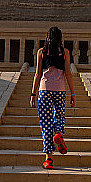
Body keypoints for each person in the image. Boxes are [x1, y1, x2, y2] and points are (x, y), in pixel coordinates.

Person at [30, 26, 76, 169]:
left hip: (44, 90)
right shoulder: (65, 52)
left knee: (46, 124)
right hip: (60, 90)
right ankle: (59, 132)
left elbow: (37, 74)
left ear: (47, 37)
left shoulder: (41, 52)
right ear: (60, 38)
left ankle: (48, 158)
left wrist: (33, 94)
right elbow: (68, 73)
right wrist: (73, 94)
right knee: (60, 115)